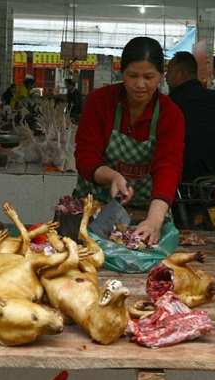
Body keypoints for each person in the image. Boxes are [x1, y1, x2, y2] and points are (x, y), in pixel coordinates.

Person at [73, 36, 185, 246]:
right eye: (132, 75)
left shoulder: (170, 114)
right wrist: (112, 176)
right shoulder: (100, 102)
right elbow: (85, 156)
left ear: (161, 76)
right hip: (94, 209)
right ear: (121, 72)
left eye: (149, 77)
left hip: (147, 211)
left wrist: (154, 220)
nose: (140, 85)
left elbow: (168, 166)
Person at [166, 51, 215, 181]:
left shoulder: (169, 104)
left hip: (178, 180)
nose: (166, 77)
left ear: (181, 75)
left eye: (169, 71)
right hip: (214, 177)